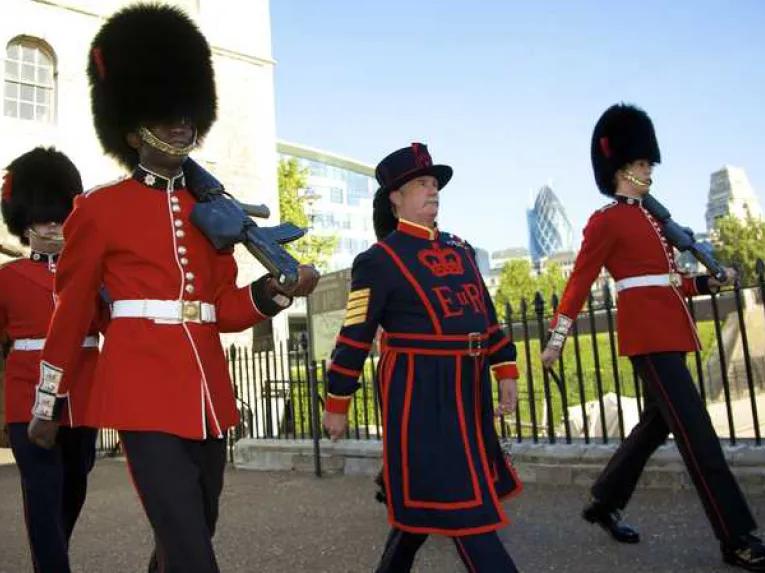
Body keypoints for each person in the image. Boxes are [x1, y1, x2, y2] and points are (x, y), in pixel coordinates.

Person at [26, 5, 319, 573]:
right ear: (134, 130)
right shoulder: (100, 209)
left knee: (194, 528)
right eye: (165, 112)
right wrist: (48, 398)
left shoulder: (211, 210)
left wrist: (278, 291)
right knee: (189, 546)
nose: (181, 121)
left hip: (206, 387)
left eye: (185, 109)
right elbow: (73, 307)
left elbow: (222, 308)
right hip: (140, 389)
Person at [540, 103, 765, 571]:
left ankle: (604, 500)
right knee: (698, 436)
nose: (649, 172)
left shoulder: (654, 221)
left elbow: (670, 281)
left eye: (648, 164)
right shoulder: (606, 221)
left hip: (671, 331)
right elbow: (578, 282)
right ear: (622, 167)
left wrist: (708, 282)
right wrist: (558, 337)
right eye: (642, 164)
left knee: (656, 426)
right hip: (648, 340)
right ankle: (737, 536)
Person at [323, 143, 523, 572]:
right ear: (395, 197)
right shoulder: (378, 260)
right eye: (421, 184)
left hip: (469, 390)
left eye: (434, 183)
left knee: (427, 504)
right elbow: (354, 336)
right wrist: (337, 402)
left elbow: (485, 316)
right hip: (421, 393)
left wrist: (505, 368)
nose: (433, 190)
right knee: (464, 506)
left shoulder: (462, 249)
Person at [1, 147, 102, 572]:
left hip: (84, 394)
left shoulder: (95, 273)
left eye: (59, 217)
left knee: (72, 490)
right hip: (28, 398)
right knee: (41, 494)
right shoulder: (6, 279)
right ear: (26, 224)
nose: (52, 227)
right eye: (43, 219)